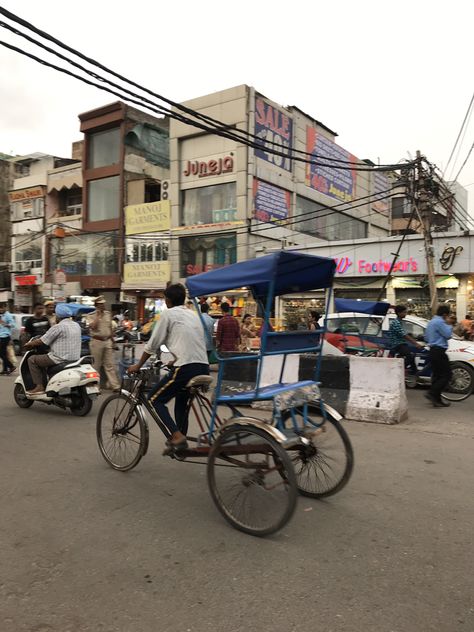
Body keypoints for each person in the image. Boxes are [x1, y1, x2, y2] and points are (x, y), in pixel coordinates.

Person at [127, 283, 209, 453]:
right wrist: (174, 360)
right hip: (202, 366)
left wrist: (138, 365)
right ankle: (180, 441)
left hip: (186, 367)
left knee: (154, 399)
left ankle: (177, 436)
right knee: (181, 398)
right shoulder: (193, 315)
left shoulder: (168, 314)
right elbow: (189, 341)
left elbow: (152, 345)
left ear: (168, 300)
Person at [24, 304, 82, 395]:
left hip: (59, 358)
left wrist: (29, 344)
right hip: (75, 358)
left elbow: (42, 341)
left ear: (58, 316)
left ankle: (39, 386)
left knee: (32, 360)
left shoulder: (58, 327)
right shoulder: (76, 325)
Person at [85, 296, 120, 391]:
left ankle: (115, 386)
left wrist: (113, 342)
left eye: (103, 304)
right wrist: (98, 316)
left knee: (109, 365)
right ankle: (95, 387)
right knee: (96, 365)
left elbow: (110, 329)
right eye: (101, 304)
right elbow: (93, 327)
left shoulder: (108, 314)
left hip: (107, 341)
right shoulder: (90, 315)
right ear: (96, 305)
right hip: (97, 341)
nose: (103, 306)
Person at [424, 305, 455, 407]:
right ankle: (432, 393)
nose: (448, 317)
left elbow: (426, 338)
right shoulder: (440, 322)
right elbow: (447, 335)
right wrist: (450, 324)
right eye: (448, 315)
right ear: (445, 314)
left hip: (433, 350)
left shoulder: (431, 322)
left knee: (437, 376)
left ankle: (437, 400)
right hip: (439, 351)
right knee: (447, 375)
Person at [388, 305, 423, 375]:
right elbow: (404, 335)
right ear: (398, 313)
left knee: (412, 355)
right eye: (404, 312)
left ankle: (414, 373)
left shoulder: (399, 322)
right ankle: (399, 369)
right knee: (410, 356)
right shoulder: (396, 323)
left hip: (401, 343)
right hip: (397, 344)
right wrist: (416, 343)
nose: (405, 314)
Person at [0, 303, 15, 375]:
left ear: (5, 307)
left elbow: (13, 325)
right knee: (3, 353)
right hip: (1, 336)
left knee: (1, 353)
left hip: (5, 336)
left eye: (2, 308)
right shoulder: (1, 315)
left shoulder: (8, 315)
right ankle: (5, 369)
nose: (1, 309)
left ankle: (11, 366)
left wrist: (6, 324)